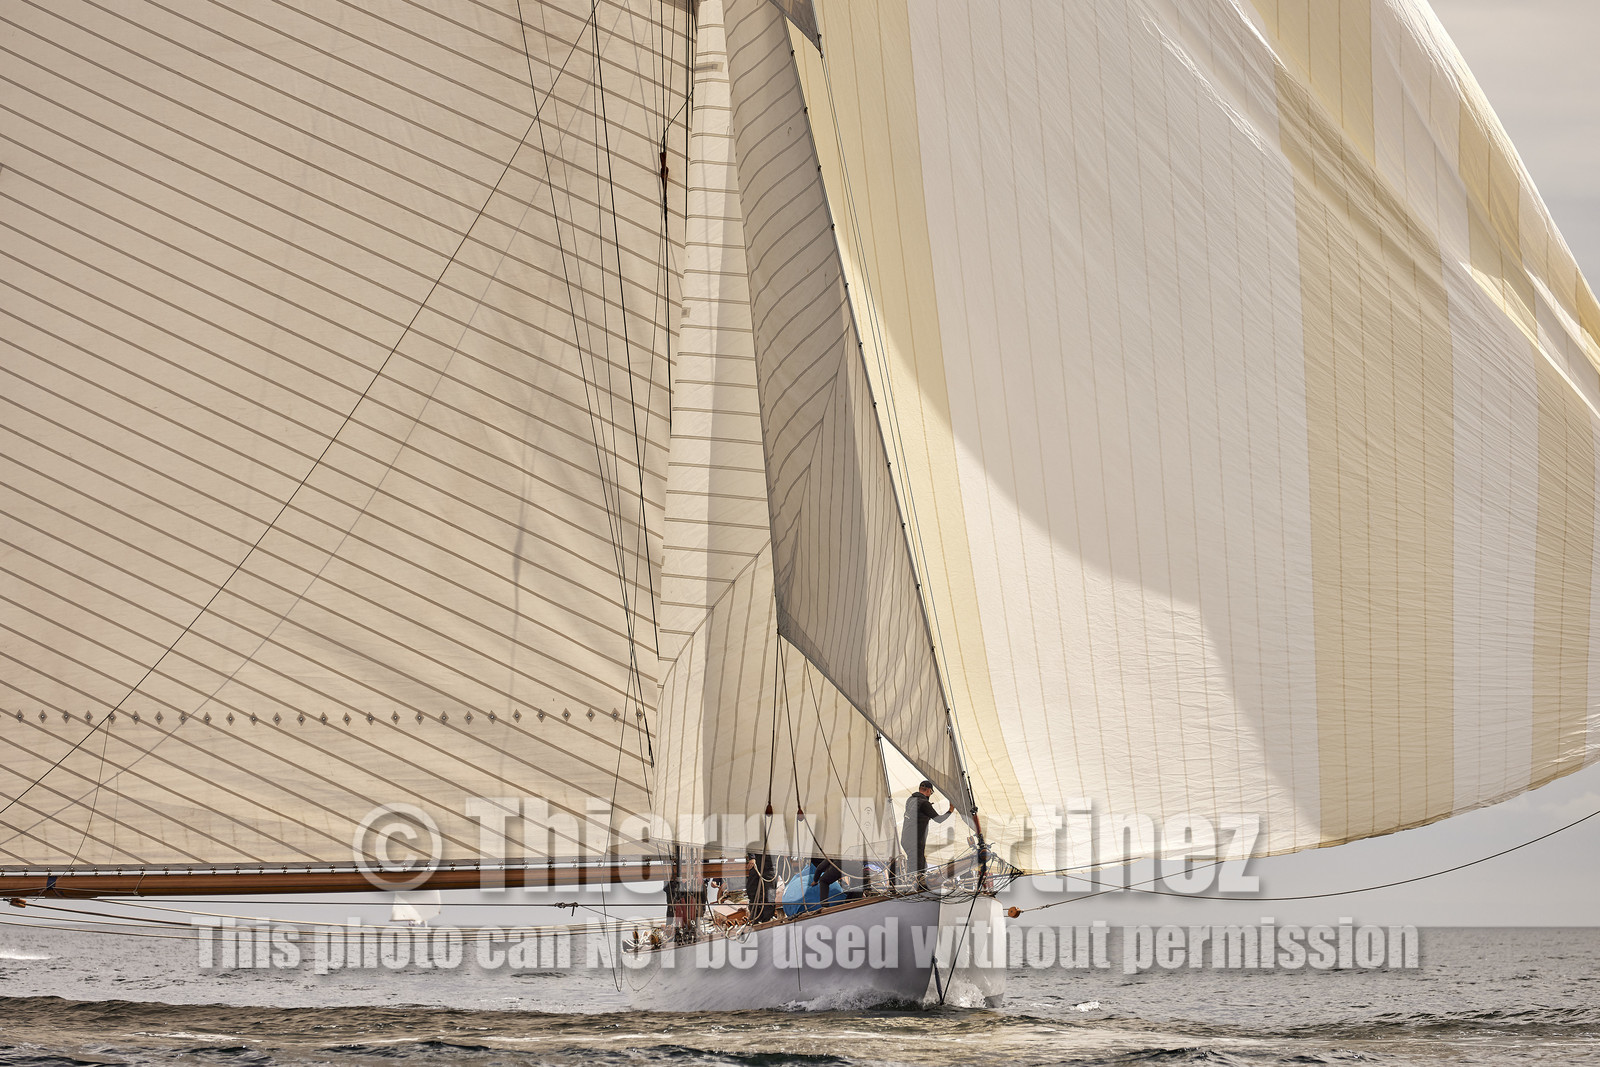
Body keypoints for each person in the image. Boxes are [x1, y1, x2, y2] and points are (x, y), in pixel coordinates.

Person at [901, 780, 953, 891]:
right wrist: (950, 810)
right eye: (931, 792)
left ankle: (915, 885)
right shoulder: (924, 803)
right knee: (918, 867)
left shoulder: (910, 800)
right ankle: (912, 888)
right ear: (929, 791)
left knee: (920, 865)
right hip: (915, 841)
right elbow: (938, 819)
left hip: (905, 839)